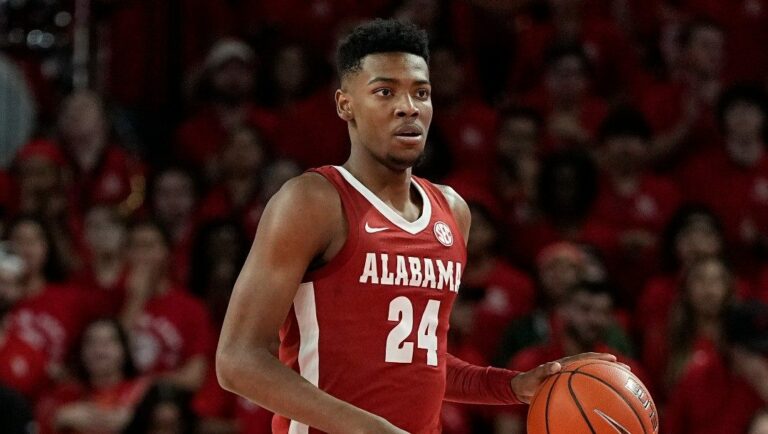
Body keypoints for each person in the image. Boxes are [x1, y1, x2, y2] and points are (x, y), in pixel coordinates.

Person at [215, 19, 618, 434]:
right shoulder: (314, 201)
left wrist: (511, 386)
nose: (408, 106)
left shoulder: (452, 210)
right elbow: (238, 360)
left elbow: (423, 359)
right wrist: (370, 429)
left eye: (420, 92)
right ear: (345, 104)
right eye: (385, 92)